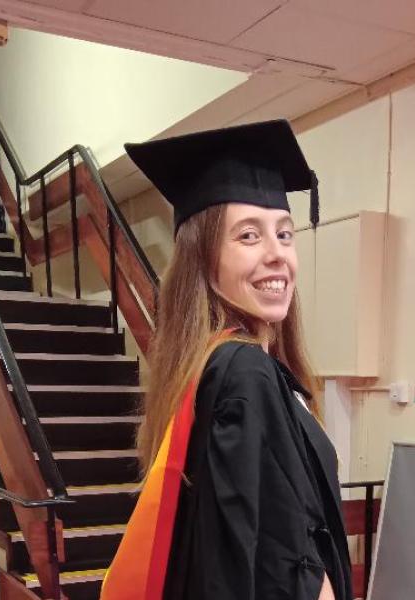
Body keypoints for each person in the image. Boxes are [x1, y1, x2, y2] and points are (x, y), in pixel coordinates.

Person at [101, 120, 352, 600]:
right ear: (204, 259)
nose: (278, 254)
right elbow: (274, 562)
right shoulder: (244, 373)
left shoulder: (208, 365)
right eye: (248, 236)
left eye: (284, 234)